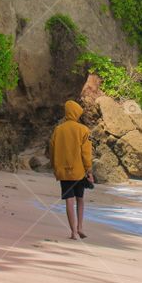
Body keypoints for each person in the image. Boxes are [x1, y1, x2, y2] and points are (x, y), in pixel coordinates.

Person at [49, 100, 94, 240]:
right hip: (79, 171)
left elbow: (52, 150)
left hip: (64, 171)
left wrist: (55, 167)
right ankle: (80, 227)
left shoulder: (58, 130)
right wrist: (89, 171)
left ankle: (73, 232)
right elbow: (86, 153)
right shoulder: (83, 130)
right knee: (80, 199)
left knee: (69, 200)